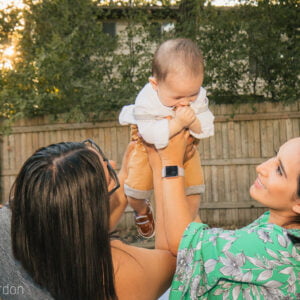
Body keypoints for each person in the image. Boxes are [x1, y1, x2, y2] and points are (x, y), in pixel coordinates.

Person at [0, 139, 177, 300]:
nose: (113, 164)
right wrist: (166, 169)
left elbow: (80, 221)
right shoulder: (116, 272)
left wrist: (126, 174)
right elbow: (178, 258)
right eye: (109, 173)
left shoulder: (12, 221)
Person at [146, 132, 300, 299]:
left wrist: (171, 164)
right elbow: (184, 242)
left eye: (279, 170)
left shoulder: (281, 243)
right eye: (275, 156)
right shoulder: (274, 222)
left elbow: (183, 241)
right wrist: (161, 164)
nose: (261, 167)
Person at [119, 38, 215, 238]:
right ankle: (141, 210)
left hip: (185, 146)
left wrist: (193, 123)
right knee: (134, 193)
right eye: (177, 97)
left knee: (195, 192)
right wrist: (178, 123)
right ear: (155, 84)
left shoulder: (198, 97)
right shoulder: (146, 101)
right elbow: (150, 134)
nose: (185, 102)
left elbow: (206, 126)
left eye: (192, 95)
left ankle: (185, 232)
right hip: (147, 147)